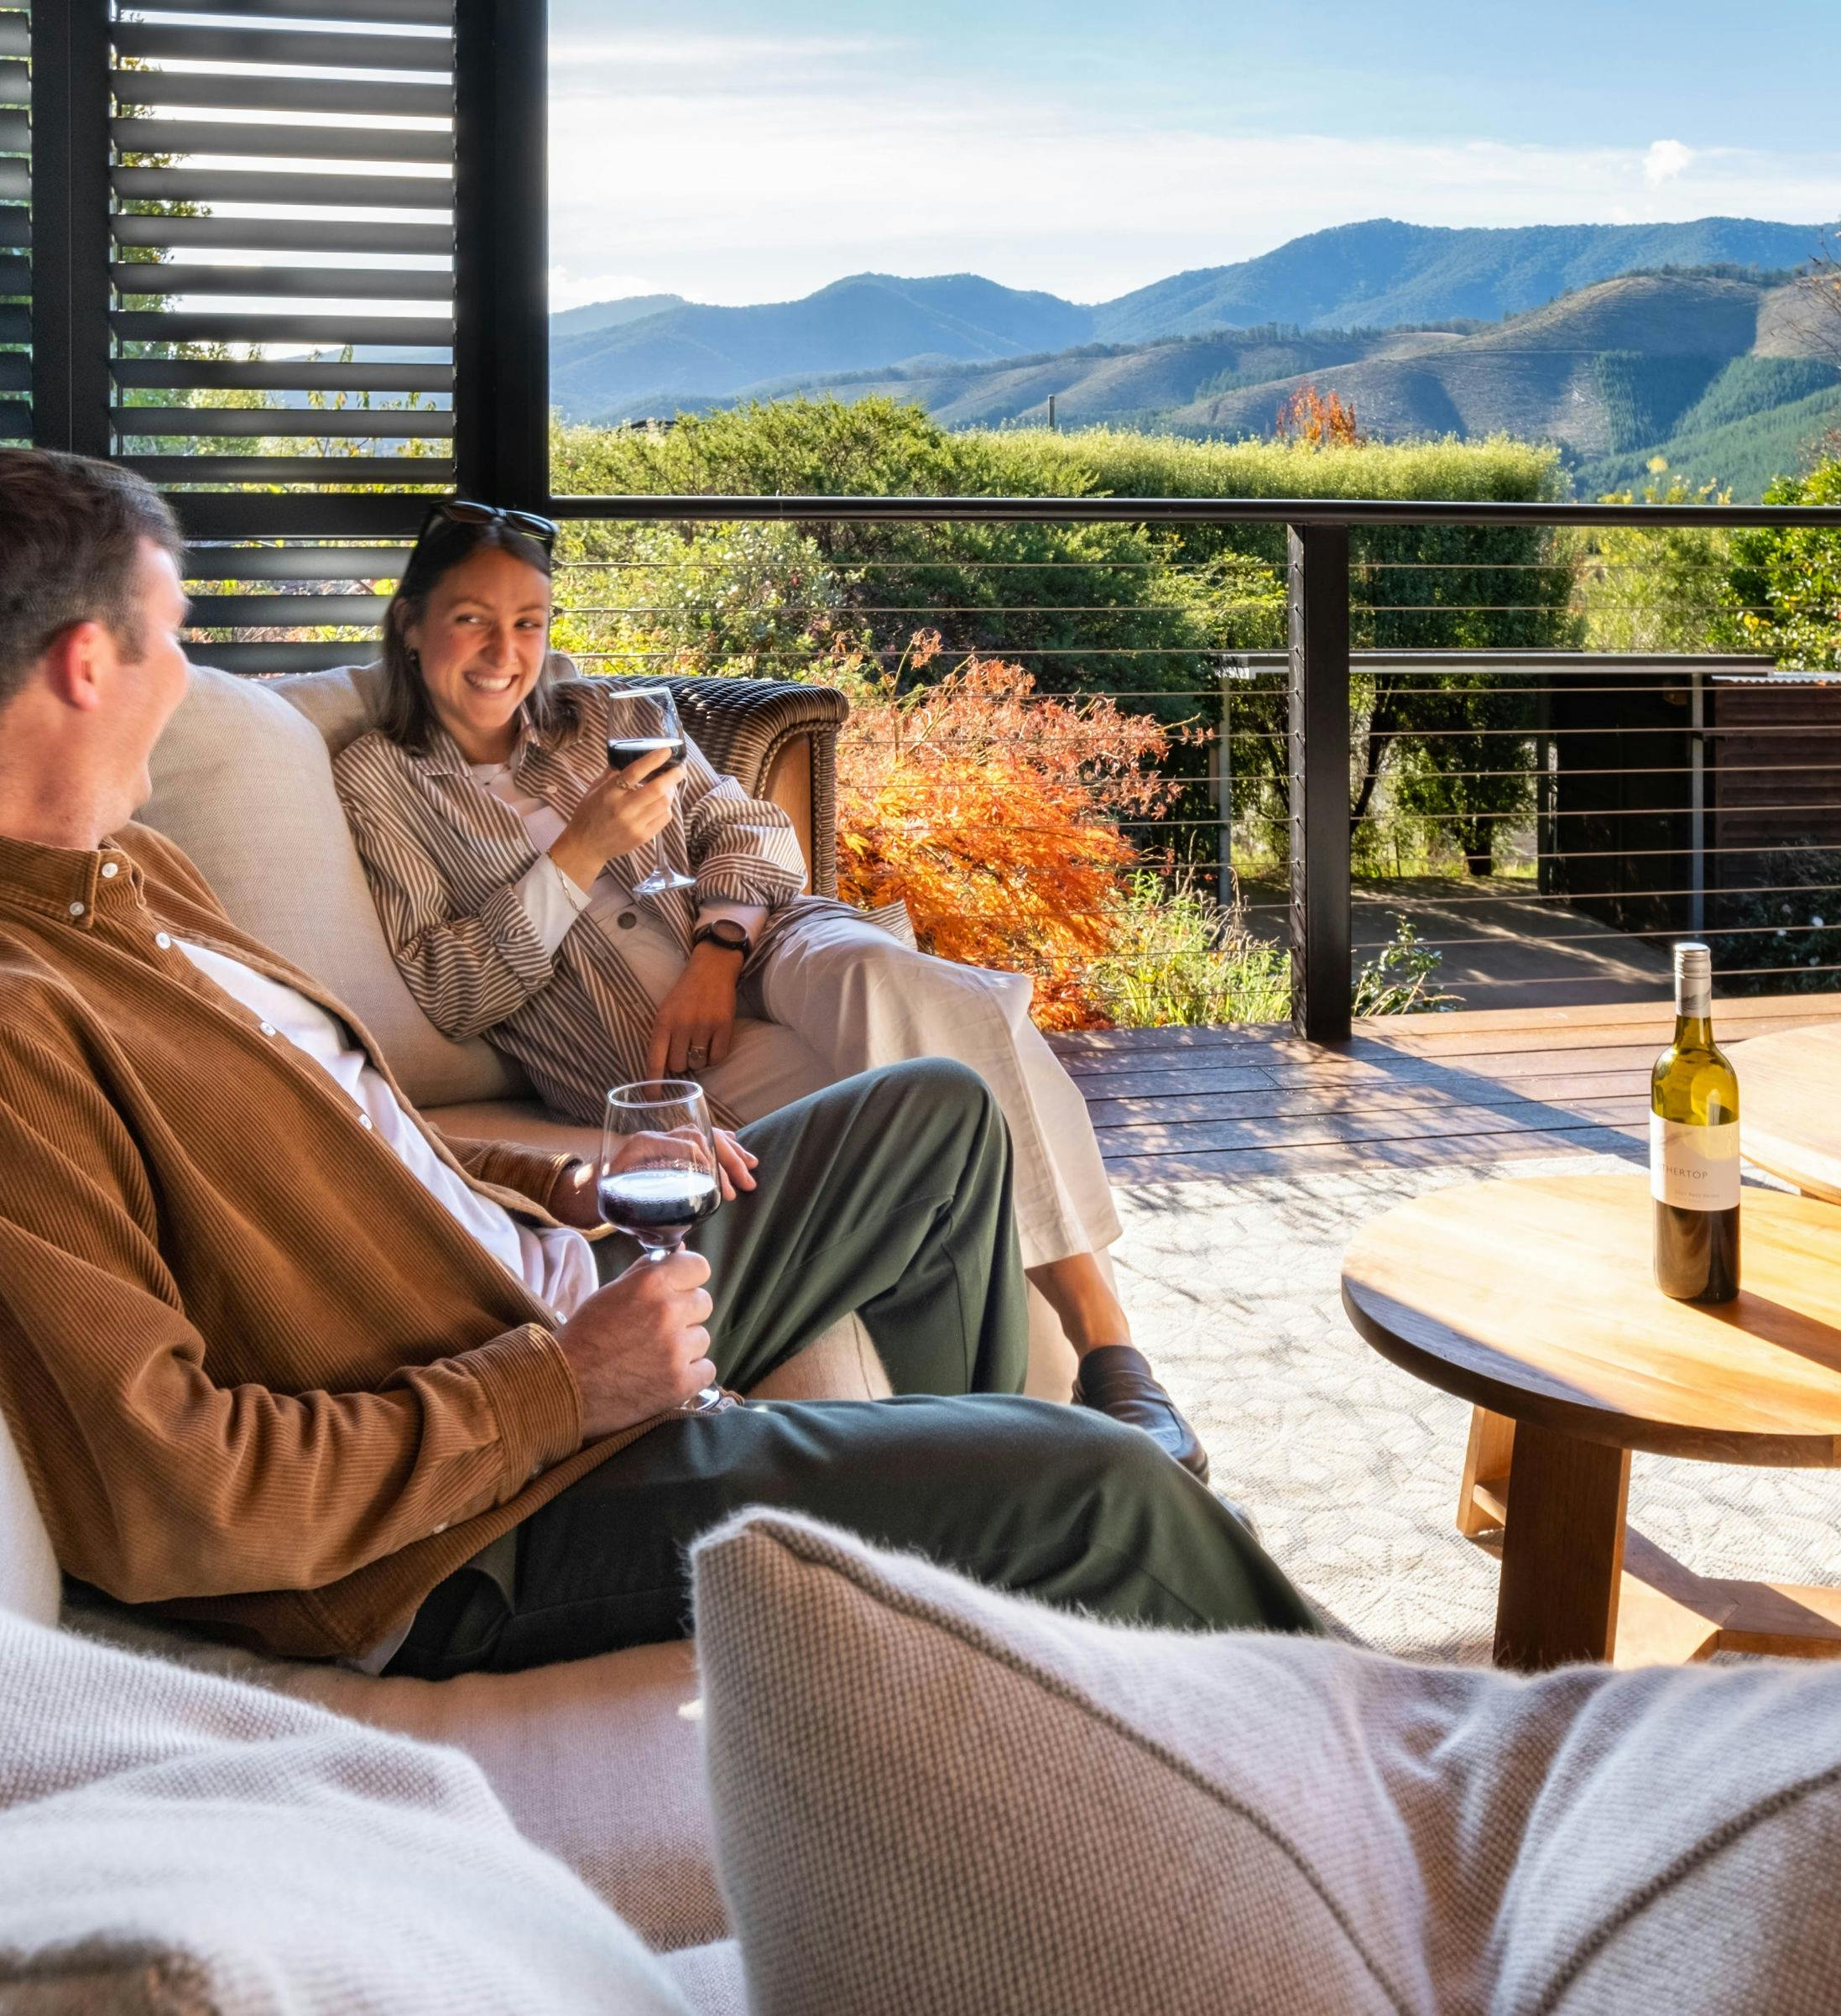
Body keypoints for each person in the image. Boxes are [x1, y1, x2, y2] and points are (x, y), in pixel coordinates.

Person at [0, 447, 1321, 1676]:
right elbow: (172, 1494)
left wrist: (563, 1179)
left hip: (540, 1286)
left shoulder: (121, 874)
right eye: (178, 632)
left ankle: (1002, 1624)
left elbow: (353, 1132)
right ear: (88, 662)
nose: (190, 673)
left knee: (932, 1113)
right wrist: (560, 1389)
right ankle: (1421, 1801)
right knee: (1107, 1489)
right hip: (473, 1512)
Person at [331, 502, 1211, 1477]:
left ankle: (1107, 1348)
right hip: (654, 1048)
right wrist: (579, 853)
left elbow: (752, 831)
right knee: (930, 1072)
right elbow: (452, 987)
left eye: (529, 622)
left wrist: (716, 952)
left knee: (899, 984)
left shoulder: (608, 716)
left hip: (763, 939)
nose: (506, 651)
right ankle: (1079, 1421)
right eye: (472, 619)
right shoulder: (381, 780)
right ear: (410, 622)